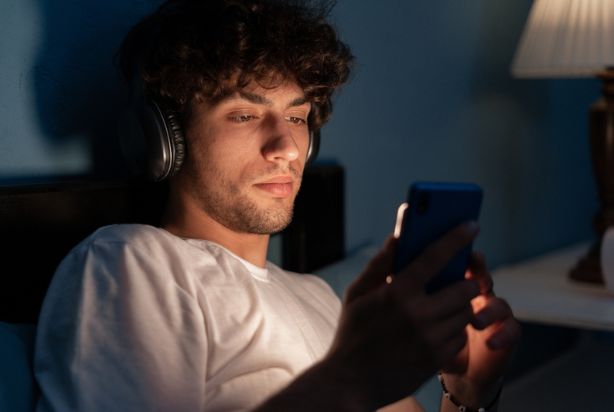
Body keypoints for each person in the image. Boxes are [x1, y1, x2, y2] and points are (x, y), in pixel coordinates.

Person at [34, 0, 521, 411]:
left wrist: (467, 390)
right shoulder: (132, 263)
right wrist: (352, 377)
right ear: (167, 137)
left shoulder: (324, 301)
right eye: (245, 114)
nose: (285, 148)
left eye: (297, 116)